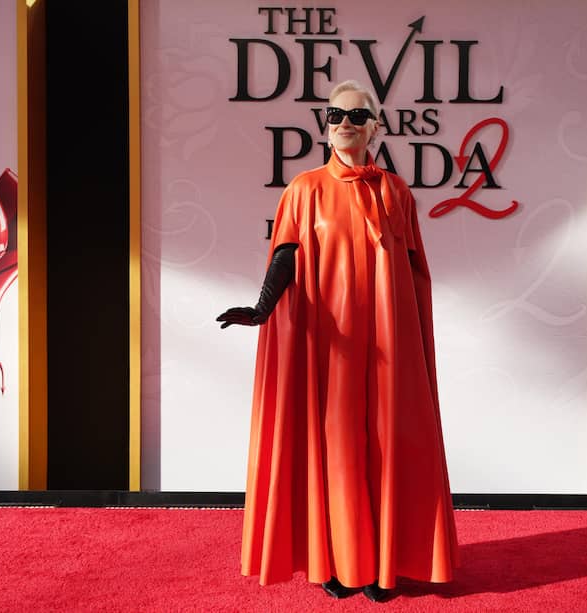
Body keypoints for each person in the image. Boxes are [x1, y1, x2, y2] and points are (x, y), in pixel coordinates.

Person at [217, 80, 459, 603]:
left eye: (356, 115)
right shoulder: (304, 189)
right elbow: (287, 253)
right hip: (331, 345)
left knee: (385, 445)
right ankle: (335, 560)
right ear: (324, 126)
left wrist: (415, 342)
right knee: (337, 449)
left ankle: (381, 564)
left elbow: (415, 272)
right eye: (335, 115)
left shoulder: (396, 191)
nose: (344, 122)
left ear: (377, 126)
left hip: (390, 344)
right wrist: (263, 307)